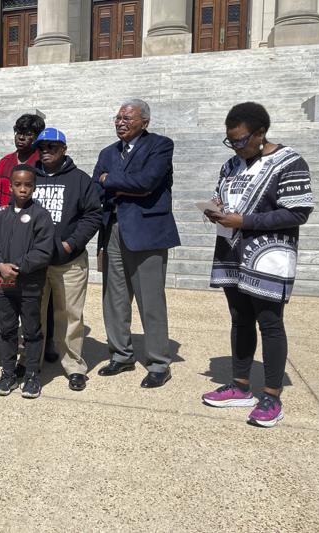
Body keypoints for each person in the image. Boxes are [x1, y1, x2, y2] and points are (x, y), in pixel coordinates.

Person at [201, 102, 313, 428]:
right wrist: (216, 210)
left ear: (260, 133)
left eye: (240, 140)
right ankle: (240, 386)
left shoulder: (289, 162)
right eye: (230, 140)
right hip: (232, 252)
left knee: (270, 323)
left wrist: (243, 220)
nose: (235, 146)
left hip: (268, 256)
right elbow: (224, 197)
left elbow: (297, 212)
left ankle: (272, 396)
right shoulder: (231, 166)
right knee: (240, 319)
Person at [93, 99, 180, 389]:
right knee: (114, 298)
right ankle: (121, 354)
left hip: (147, 232)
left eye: (128, 118)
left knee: (150, 299)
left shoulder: (159, 145)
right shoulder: (108, 152)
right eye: (118, 117)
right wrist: (119, 182)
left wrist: (112, 181)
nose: (120, 122)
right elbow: (97, 185)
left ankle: (158, 362)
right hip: (113, 229)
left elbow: (147, 182)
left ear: (144, 122)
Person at [33, 128, 102, 392]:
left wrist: (71, 243)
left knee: (70, 316)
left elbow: (93, 215)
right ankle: (30, 362)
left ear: (63, 149)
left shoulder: (80, 180)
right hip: (36, 262)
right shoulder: (30, 177)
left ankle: (74, 367)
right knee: (33, 315)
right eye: (42, 147)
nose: (46, 151)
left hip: (69, 261)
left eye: (52, 147)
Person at [0, 165, 54, 398]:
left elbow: (44, 251)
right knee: (6, 329)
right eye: (18, 184)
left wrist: (18, 267)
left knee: (32, 330)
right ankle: (8, 373)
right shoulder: (1, 215)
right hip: (4, 285)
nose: (23, 189)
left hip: (30, 285)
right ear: (11, 185)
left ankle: (32, 374)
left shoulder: (41, 216)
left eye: (28, 185)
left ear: (34, 187)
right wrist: (0, 265)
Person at [0, 114, 45, 208]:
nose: (21, 137)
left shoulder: (43, 163)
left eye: (28, 134)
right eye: (19, 132)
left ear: (37, 137)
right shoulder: (4, 162)